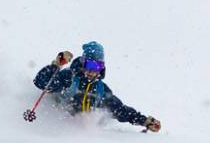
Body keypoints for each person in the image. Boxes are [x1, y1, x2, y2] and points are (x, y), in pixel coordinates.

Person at [33, 41, 161, 132]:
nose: (92, 71)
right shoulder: (69, 77)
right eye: (89, 65)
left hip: (83, 137)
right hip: (58, 129)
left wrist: (143, 120)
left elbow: (120, 110)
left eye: (97, 67)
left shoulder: (101, 90)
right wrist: (56, 65)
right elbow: (41, 82)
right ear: (82, 63)